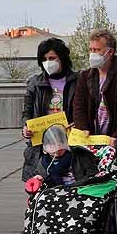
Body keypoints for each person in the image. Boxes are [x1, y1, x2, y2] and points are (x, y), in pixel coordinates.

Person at [71, 29, 117, 234]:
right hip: (91, 143)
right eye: (91, 49)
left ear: (109, 52)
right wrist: (83, 131)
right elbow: (79, 107)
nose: (92, 54)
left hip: (116, 144)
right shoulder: (86, 76)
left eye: (97, 50)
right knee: (93, 193)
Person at [22, 38, 78, 179]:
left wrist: (78, 122)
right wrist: (26, 127)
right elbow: (27, 111)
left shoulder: (77, 81)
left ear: (62, 58)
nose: (48, 62)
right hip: (41, 149)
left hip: (69, 146)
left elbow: (84, 110)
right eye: (44, 59)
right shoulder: (34, 83)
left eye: (52, 58)